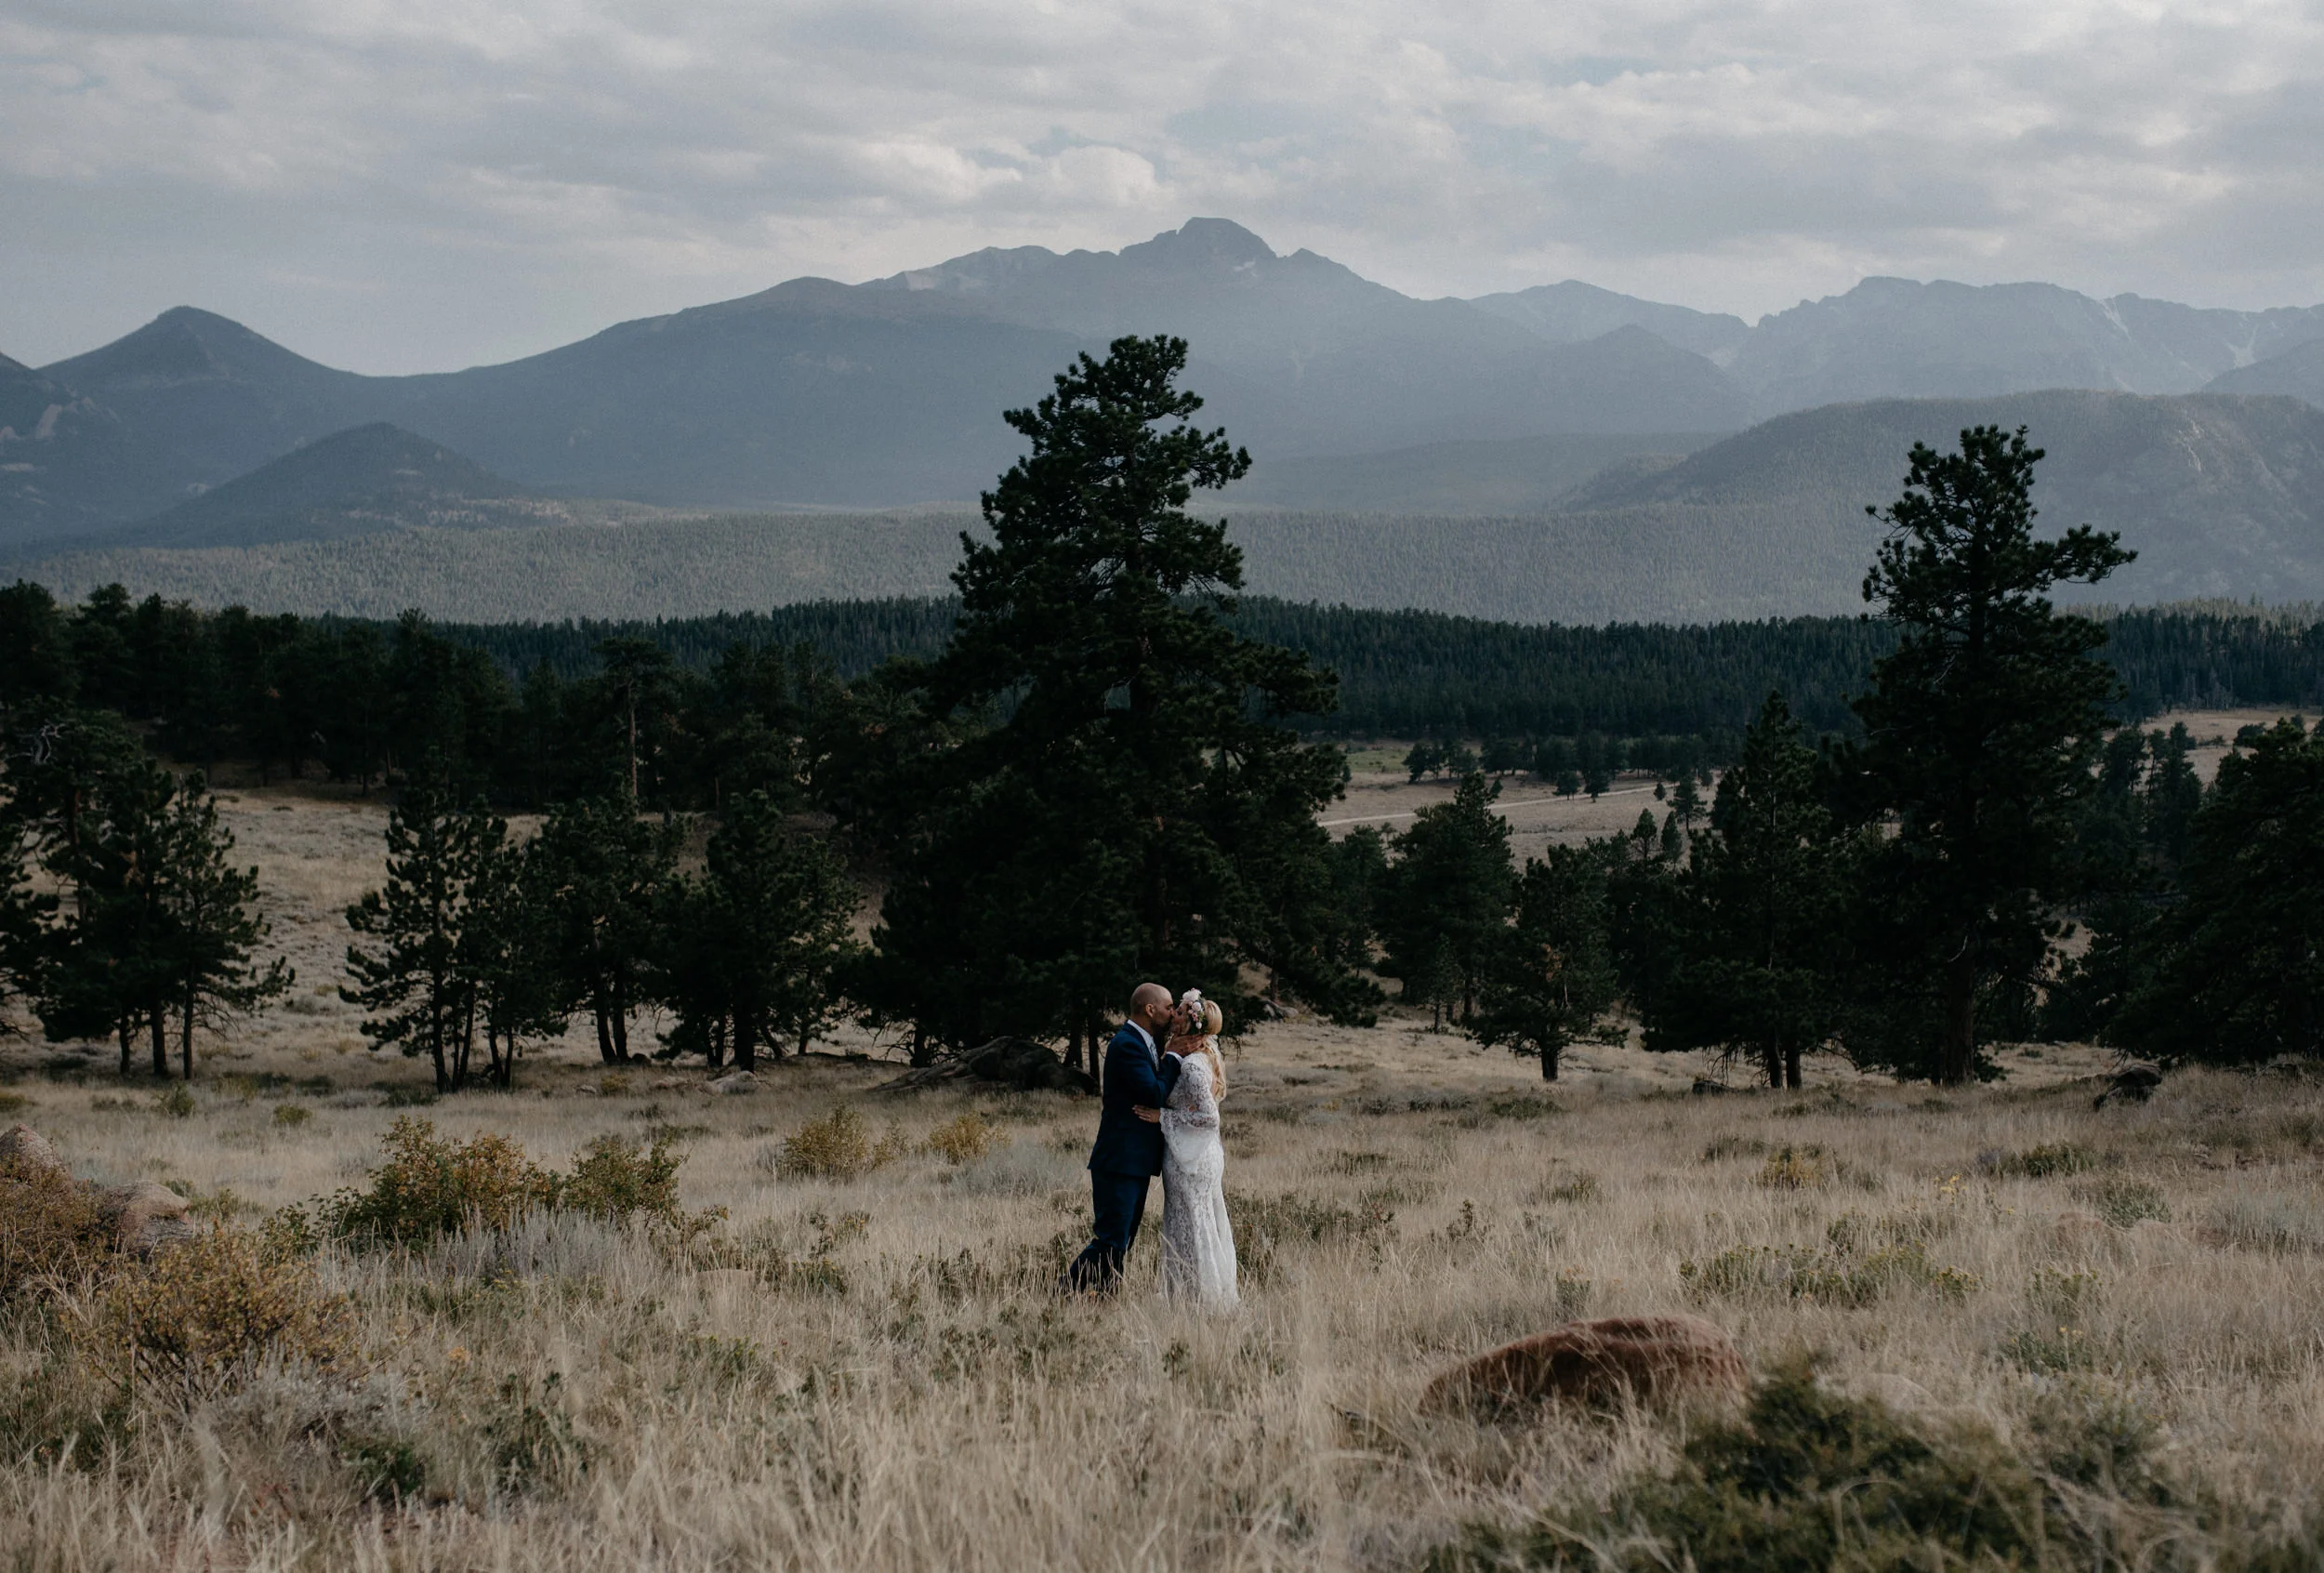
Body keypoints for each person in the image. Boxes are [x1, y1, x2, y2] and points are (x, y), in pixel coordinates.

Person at [1061, 982, 1183, 1295]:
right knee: (1111, 1239)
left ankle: (1104, 1297)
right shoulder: (1127, 1044)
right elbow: (1153, 1093)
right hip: (1120, 1160)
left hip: (1135, 1161)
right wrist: (1174, 1057)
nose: (1172, 1013)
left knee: (1123, 1239)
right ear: (1150, 1009)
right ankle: (1064, 1291)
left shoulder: (1146, 1042)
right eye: (1169, 1007)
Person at [1158, 990, 1238, 1309]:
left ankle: (1196, 1302)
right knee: (1201, 1226)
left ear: (1190, 1023)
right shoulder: (1205, 1056)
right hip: (1200, 1154)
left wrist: (1162, 1116)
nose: (1172, 1015)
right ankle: (1202, 1298)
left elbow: (1209, 1117)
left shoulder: (1192, 1066)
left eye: (1179, 1012)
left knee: (1191, 1228)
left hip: (1189, 1161)